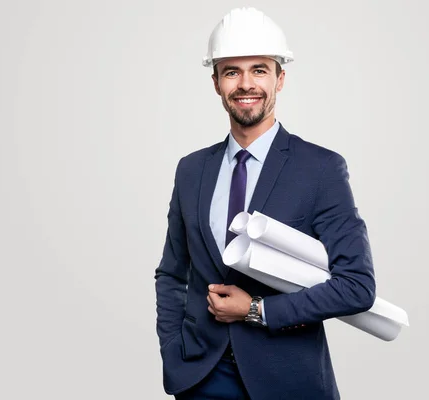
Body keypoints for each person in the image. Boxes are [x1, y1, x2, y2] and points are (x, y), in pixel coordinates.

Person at [155, 7, 376, 400]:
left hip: (288, 378)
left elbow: (356, 286)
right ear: (216, 82)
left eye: (259, 70)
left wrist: (256, 310)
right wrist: (174, 351)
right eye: (231, 72)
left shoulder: (321, 169)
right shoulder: (191, 170)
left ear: (280, 78)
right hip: (201, 377)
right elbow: (173, 274)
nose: (245, 84)